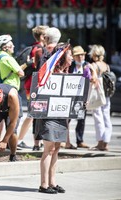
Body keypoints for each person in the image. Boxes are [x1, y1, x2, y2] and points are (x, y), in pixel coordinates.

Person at [35, 29, 72, 194]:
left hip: (61, 114)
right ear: (63, 57)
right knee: (49, 149)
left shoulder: (68, 74)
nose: (71, 57)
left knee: (57, 148)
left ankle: (52, 182)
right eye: (69, 55)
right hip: (49, 115)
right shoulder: (50, 73)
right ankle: (43, 184)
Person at [17, 25, 49, 151]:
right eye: (46, 35)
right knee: (32, 115)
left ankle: (35, 142)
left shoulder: (34, 48)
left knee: (34, 114)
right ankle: (19, 140)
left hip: (30, 85)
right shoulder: (38, 49)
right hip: (34, 86)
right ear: (42, 36)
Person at [0, 34, 25, 150]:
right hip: (12, 91)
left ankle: (3, 143)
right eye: (11, 44)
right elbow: (21, 73)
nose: (13, 46)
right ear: (5, 47)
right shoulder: (8, 58)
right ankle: (12, 149)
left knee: (3, 119)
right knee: (14, 120)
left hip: (2, 91)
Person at [89, 45, 113, 151]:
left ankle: (100, 143)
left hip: (98, 94)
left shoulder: (93, 65)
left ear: (94, 55)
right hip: (107, 95)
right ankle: (106, 142)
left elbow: (93, 79)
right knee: (106, 117)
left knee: (98, 117)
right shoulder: (107, 66)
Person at [67, 45, 91, 149]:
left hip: (82, 97)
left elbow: (91, 82)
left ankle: (79, 140)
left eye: (82, 55)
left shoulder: (87, 66)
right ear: (74, 57)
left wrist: (88, 98)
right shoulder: (70, 66)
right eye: (77, 56)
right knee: (67, 119)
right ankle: (65, 141)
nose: (80, 57)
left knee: (81, 119)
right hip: (70, 96)